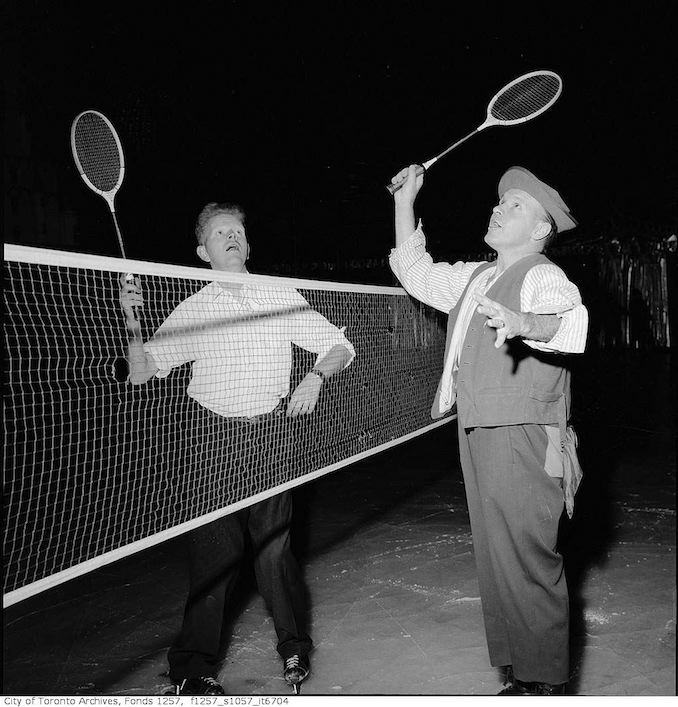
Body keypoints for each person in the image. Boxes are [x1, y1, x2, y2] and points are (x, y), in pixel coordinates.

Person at [119, 202, 355, 695]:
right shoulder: (195, 308)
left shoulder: (278, 296)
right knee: (214, 556)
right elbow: (143, 370)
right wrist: (132, 318)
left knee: (274, 553)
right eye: (218, 232)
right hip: (212, 440)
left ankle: (293, 648)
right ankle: (191, 670)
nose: (230, 236)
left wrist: (314, 376)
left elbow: (340, 346)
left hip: (270, 437)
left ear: (247, 245)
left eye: (237, 230)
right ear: (203, 252)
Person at [388, 165, 588, 696]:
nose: (499, 208)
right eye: (500, 202)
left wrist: (526, 324)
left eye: (516, 205)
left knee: (526, 559)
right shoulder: (478, 277)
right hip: (479, 426)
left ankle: (543, 682)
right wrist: (405, 202)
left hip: (523, 428)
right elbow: (419, 274)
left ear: (541, 229)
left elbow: (570, 320)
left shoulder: (542, 273)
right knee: (498, 559)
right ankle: (523, 674)